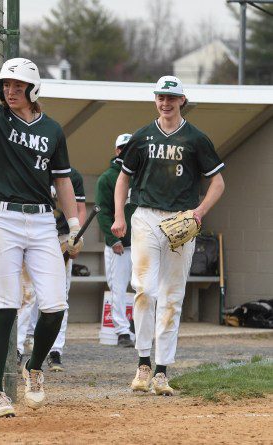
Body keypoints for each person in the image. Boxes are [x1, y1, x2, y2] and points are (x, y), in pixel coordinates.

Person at [0, 18, 83, 418]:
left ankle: (35, 368)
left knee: (55, 305)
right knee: (5, 305)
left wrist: (73, 226)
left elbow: (62, 183)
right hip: (3, 220)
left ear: (32, 89)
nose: (9, 90)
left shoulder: (53, 130)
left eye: (17, 85)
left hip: (42, 222)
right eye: (5, 84)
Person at [112, 76, 225, 396]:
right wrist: (120, 215)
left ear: (182, 101)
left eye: (171, 98)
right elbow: (123, 179)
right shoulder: (142, 136)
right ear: (155, 100)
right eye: (161, 97)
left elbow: (218, 183)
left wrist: (199, 211)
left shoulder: (196, 139)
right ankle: (143, 362)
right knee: (145, 289)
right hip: (146, 216)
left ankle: (162, 371)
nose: (165, 103)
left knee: (172, 296)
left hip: (180, 221)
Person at [16, 169, 86, 372]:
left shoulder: (72, 175)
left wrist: (77, 236)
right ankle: (18, 348)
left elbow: (80, 209)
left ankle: (55, 350)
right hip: (34, 235)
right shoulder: (33, 169)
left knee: (59, 296)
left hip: (63, 238)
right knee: (26, 295)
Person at [96, 133, 137, 348]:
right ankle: (122, 331)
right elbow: (102, 213)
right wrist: (113, 240)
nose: (126, 152)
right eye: (123, 148)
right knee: (118, 289)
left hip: (140, 243)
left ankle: (136, 326)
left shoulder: (140, 174)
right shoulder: (107, 178)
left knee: (144, 288)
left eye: (130, 148)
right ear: (116, 151)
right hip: (119, 245)